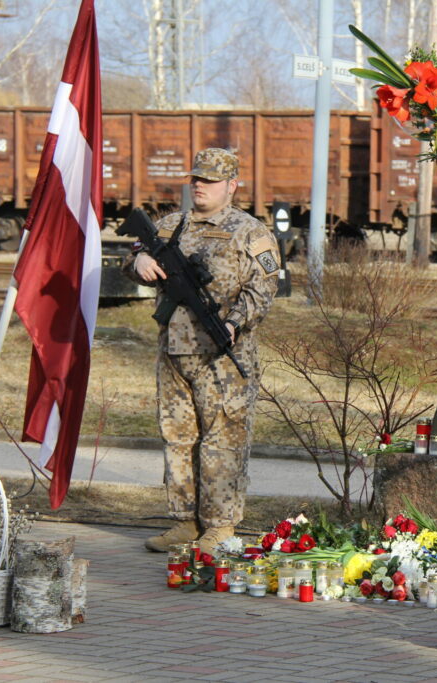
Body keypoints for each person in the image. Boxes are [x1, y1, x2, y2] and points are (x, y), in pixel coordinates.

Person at [126, 147, 281, 554]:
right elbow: (132, 256)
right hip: (174, 351)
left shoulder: (251, 232)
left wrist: (233, 322)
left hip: (222, 356)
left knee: (222, 441)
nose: (199, 185)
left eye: (209, 180)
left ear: (232, 186)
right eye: (196, 178)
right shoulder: (170, 225)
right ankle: (184, 521)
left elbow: (263, 289)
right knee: (177, 438)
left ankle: (219, 526)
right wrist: (139, 261)